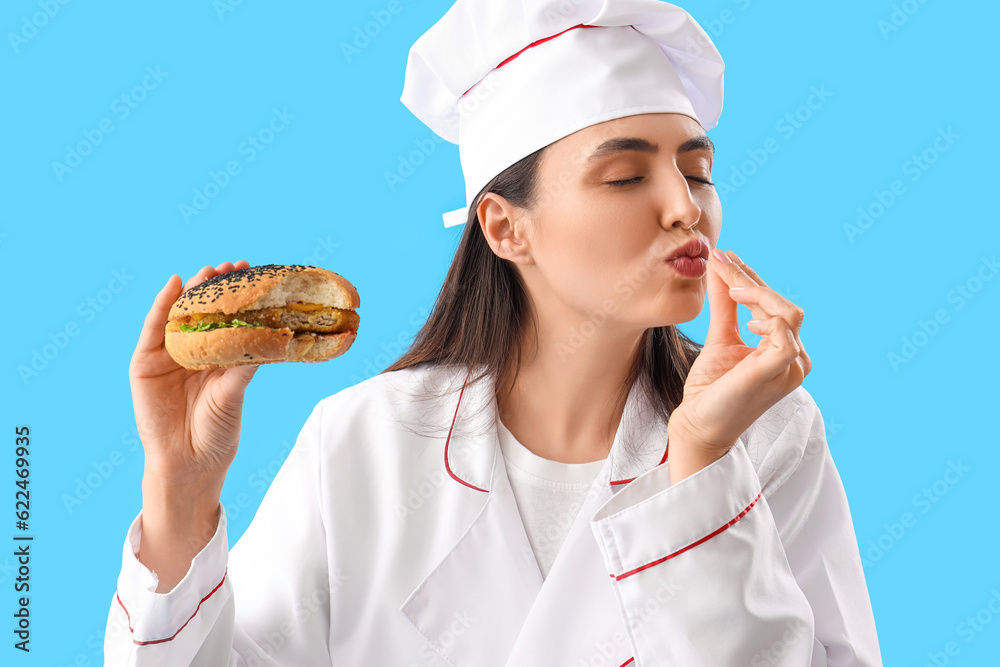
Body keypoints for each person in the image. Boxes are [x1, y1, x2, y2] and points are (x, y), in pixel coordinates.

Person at [104, 0, 883, 664]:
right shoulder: (364, 440)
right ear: (506, 228)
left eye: (698, 170)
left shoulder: (772, 431)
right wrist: (181, 493)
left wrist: (704, 462)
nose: (685, 207)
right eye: (624, 176)